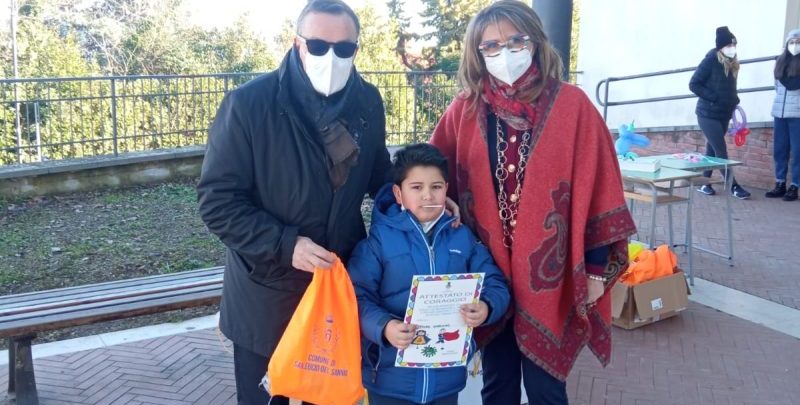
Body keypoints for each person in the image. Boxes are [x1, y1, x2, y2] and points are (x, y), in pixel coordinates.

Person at [429, 2, 637, 404]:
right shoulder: (464, 110)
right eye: (490, 46)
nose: (503, 53)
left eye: (514, 41)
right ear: (477, 52)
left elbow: (599, 192)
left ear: (535, 43)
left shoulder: (573, 107)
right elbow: (434, 175)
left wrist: (595, 271)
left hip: (552, 275)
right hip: (486, 273)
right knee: (497, 382)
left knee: (547, 388)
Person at [196, 1, 395, 403]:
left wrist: (423, 202)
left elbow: (379, 176)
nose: (331, 57)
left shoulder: (368, 102)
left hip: (336, 286)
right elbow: (218, 201)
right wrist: (288, 245)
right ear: (297, 43)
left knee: (331, 396)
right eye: (319, 45)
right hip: (266, 290)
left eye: (344, 49)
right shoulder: (249, 104)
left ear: (357, 48)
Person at [348, 144, 511, 405]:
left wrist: (487, 307)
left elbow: (496, 283)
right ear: (398, 194)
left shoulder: (463, 238)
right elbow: (355, 297)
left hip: (446, 381)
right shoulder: (377, 242)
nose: (427, 195)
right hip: (390, 382)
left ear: (446, 189)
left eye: (436, 187)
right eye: (416, 187)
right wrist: (385, 327)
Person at [689, 26, 752, 199]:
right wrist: (714, 97)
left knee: (711, 150)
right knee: (720, 150)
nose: (732, 48)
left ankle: (704, 184)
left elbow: (728, 88)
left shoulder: (732, 63)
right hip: (707, 114)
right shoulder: (711, 60)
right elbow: (694, 84)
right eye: (729, 45)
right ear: (721, 47)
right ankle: (734, 186)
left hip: (723, 113)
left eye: (734, 45)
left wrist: (734, 100)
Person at [769, 28, 800, 201]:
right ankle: (780, 183)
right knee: (780, 150)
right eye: (792, 42)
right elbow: (777, 87)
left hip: (797, 114)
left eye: (798, 42)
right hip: (780, 113)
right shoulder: (780, 62)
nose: (795, 45)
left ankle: (795, 185)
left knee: (798, 152)